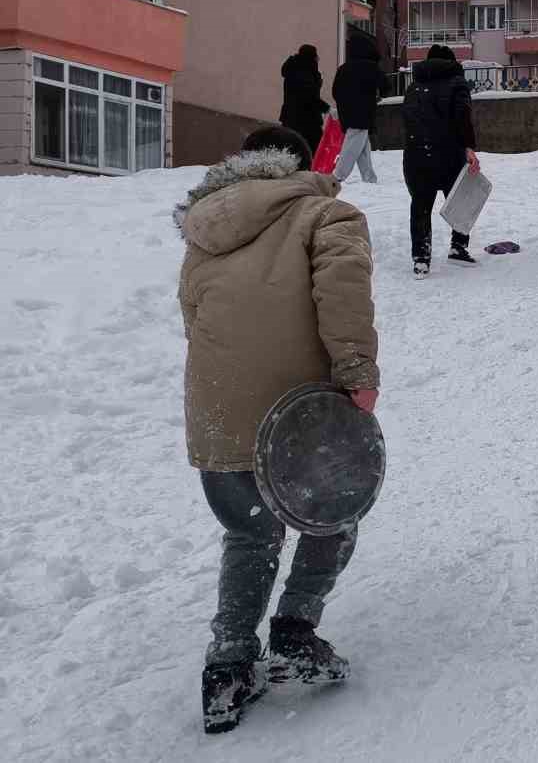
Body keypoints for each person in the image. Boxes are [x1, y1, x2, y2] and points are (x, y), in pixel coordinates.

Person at [174, 125, 380, 734]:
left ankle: (229, 667)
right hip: (299, 409)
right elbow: (344, 294)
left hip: (216, 408)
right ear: (299, 163)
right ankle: (294, 630)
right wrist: (357, 372)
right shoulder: (326, 213)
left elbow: (192, 312)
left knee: (248, 533)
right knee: (334, 511)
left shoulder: (204, 227)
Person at [401, 45, 480, 279]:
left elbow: (408, 121)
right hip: (449, 153)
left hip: (417, 154)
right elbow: (462, 117)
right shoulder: (457, 83)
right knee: (461, 200)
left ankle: (421, 259)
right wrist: (469, 147)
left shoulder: (413, 87)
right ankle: (458, 247)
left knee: (420, 206)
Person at [331, 30, 383, 184]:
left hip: (346, 112)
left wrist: (344, 104)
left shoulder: (343, 68)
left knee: (362, 143)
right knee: (352, 145)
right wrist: (375, 96)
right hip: (364, 112)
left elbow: (335, 92)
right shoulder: (371, 67)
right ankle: (337, 176)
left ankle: (369, 177)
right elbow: (386, 85)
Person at [279, 45, 329, 155]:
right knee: (314, 152)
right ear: (311, 57)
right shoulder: (305, 72)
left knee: (292, 152)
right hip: (306, 121)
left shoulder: (293, 69)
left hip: (290, 118)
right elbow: (309, 96)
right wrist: (327, 108)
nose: (317, 59)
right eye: (316, 57)